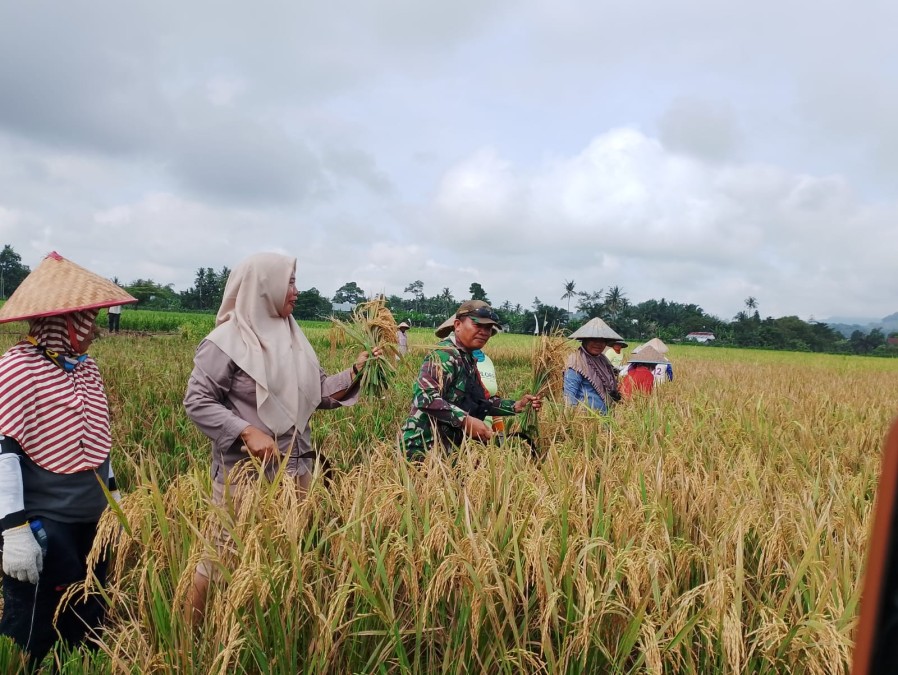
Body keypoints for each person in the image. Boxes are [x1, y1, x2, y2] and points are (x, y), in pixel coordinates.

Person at [183, 252, 378, 622]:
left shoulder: (295, 339)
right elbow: (196, 401)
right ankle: (187, 637)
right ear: (263, 286)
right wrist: (246, 430)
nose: (296, 291)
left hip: (297, 469)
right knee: (221, 557)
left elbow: (316, 393)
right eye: (289, 282)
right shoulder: (225, 342)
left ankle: (265, 630)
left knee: (286, 554)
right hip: (246, 475)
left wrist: (355, 371)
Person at [0, 252, 135, 665]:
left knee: (89, 610)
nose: (94, 330)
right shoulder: (17, 368)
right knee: (38, 621)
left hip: (92, 517)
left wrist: (115, 500)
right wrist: (13, 530)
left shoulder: (85, 368)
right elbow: (3, 452)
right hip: (45, 520)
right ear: (65, 322)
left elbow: (100, 441)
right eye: (88, 320)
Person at [400, 301, 541, 459]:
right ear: (458, 325)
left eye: (488, 328)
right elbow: (424, 397)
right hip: (423, 449)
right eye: (477, 325)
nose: (484, 332)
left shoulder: (468, 358)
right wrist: (466, 421)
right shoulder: (444, 355)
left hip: (448, 450)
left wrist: (515, 406)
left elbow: (479, 402)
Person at [563, 317, 623, 413]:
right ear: (585, 340)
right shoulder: (576, 361)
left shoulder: (603, 360)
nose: (598, 344)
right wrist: (571, 420)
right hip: (585, 420)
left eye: (602, 340)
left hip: (604, 418)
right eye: (593, 339)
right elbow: (569, 395)